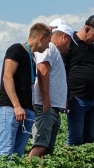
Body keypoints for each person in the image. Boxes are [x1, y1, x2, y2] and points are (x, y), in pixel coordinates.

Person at [0, 23, 51, 157]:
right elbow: (7, 77)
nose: (48, 46)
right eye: (47, 42)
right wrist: (17, 106)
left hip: (27, 111)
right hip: (11, 109)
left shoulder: (31, 57)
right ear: (41, 38)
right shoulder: (16, 50)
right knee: (6, 152)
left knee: (17, 154)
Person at [28, 19, 73, 159]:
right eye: (70, 42)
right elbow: (42, 71)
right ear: (65, 37)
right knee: (40, 145)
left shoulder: (52, 50)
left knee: (45, 149)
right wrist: (46, 101)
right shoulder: (50, 48)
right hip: (46, 106)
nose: (69, 47)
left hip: (52, 107)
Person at [63, 15, 94, 146]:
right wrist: (64, 97)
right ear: (87, 29)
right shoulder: (70, 42)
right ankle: (70, 163)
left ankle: (83, 165)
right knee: (75, 139)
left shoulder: (93, 48)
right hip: (77, 98)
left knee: (89, 139)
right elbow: (63, 71)